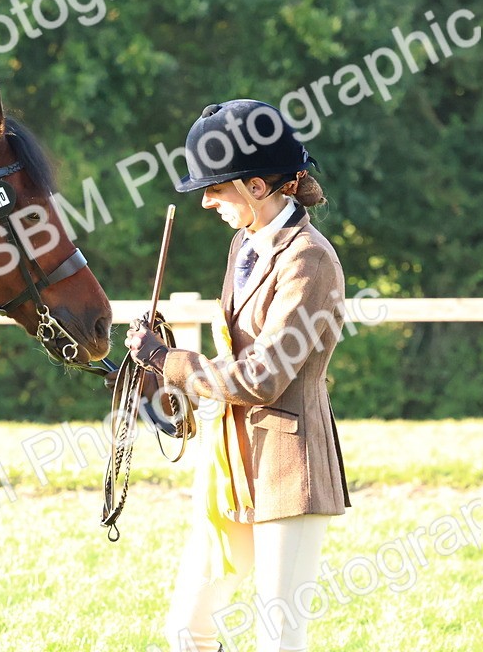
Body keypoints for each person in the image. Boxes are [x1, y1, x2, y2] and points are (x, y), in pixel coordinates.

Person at [126, 100, 350, 652]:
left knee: (278, 638)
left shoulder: (309, 260)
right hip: (230, 461)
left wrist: (170, 362)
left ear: (255, 185)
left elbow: (264, 376)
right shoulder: (243, 246)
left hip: (287, 468)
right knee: (188, 628)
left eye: (216, 189)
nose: (205, 202)